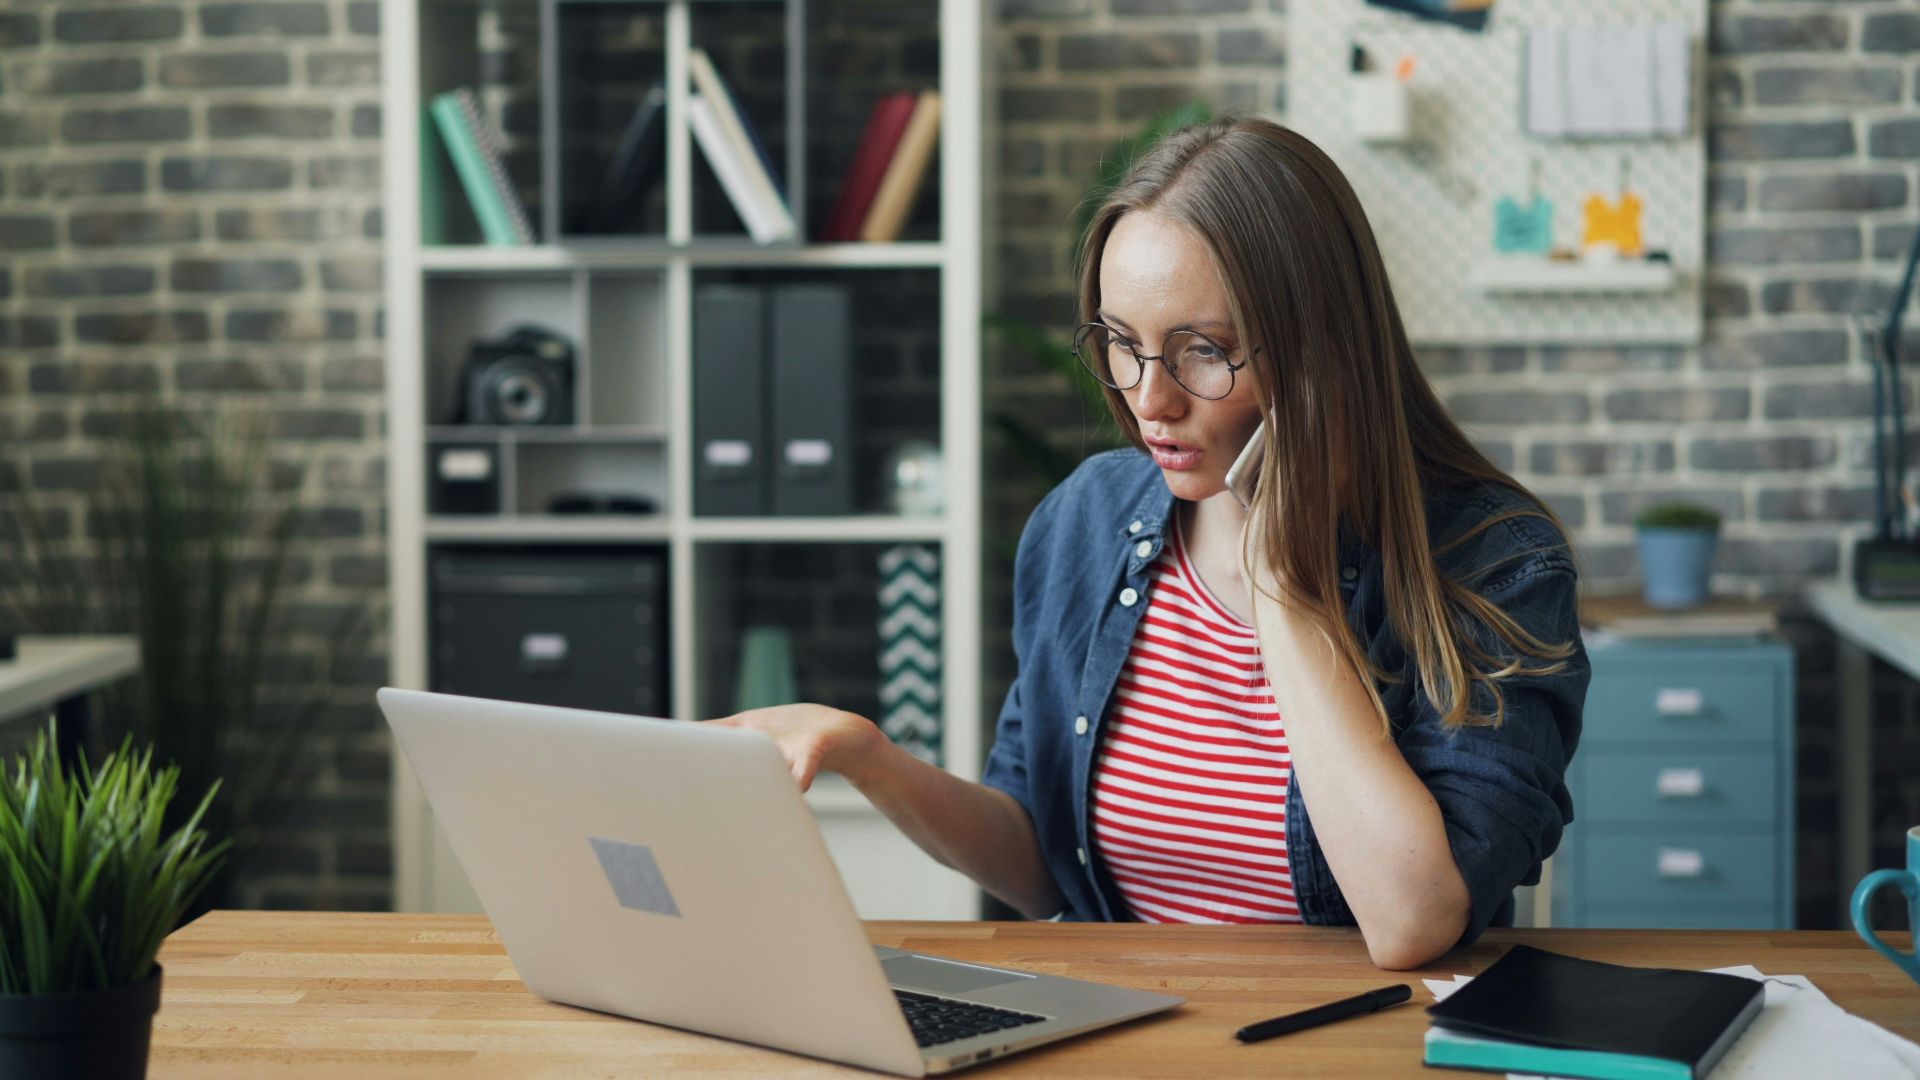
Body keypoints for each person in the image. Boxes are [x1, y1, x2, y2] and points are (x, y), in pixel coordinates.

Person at [710, 116, 1588, 971]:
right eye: (1121, 345)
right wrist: (871, 756)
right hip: (1136, 1035)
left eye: (1203, 351)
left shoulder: (1490, 559)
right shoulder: (1086, 519)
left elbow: (1413, 921)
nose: (1148, 400)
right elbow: (1039, 863)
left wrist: (1282, 583)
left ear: (1324, 353)